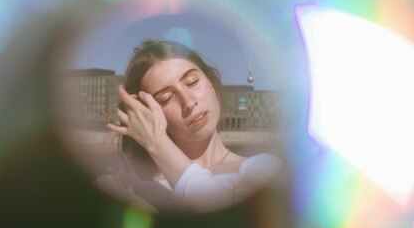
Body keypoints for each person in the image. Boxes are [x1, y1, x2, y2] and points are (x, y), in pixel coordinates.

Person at [96, 40, 283, 213]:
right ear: (147, 114)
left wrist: (157, 143)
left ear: (212, 85)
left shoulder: (263, 169)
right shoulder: (121, 185)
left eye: (192, 82)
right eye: (166, 98)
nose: (188, 102)